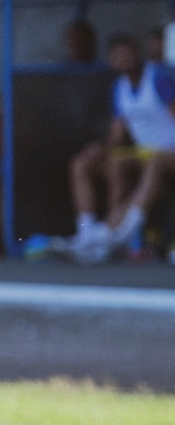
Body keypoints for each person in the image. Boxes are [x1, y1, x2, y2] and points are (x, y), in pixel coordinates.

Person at [65, 33, 175, 262]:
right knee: (91, 163)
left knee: (154, 162)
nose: (125, 59)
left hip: (168, 153)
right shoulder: (119, 88)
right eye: (118, 56)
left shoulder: (158, 79)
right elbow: (116, 136)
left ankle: (123, 232)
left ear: (137, 53)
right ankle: (89, 234)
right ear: (112, 62)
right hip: (145, 153)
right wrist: (99, 150)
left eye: (128, 53)